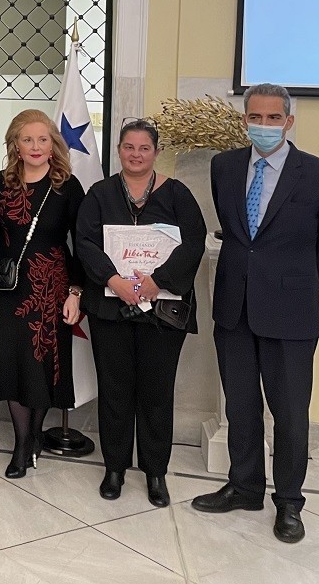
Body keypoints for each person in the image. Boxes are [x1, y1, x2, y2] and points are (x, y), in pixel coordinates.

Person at [192, 83, 319, 544]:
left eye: (273, 118)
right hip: (234, 308)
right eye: (255, 117)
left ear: (288, 121)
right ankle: (244, 488)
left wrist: (296, 287)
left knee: (290, 414)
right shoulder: (224, 167)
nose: (263, 125)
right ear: (245, 120)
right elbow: (237, 234)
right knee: (240, 407)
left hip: (291, 313)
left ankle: (289, 503)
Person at [75, 118, 206, 507]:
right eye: (129, 147)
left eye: (144, 148)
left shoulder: (178, 194)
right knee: (114, 390)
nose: (136, 154)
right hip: (110, 308)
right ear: (118, 150)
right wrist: (113, 280)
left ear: (156, 152)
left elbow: (194, 243)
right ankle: (114, 468)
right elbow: (84, 242)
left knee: (156, 392)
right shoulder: (99, 194)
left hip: (162, 311)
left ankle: (155, 472)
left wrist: (157, 281)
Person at [0, 109, 84, 479]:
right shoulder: (0, 183)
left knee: (41, 366)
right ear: (15, 145)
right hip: (6, 288)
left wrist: (76, 292)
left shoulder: (68, 186)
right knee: (11, 364)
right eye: (27, 139)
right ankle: (21, 444)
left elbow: (82, 244)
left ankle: (35, 433)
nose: (35, 146)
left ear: (53, 145)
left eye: (43, 139)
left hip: (51, 289)